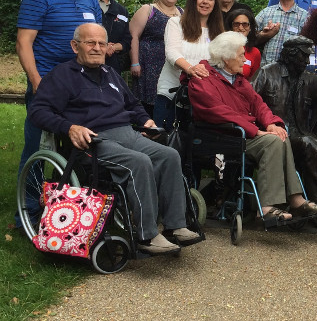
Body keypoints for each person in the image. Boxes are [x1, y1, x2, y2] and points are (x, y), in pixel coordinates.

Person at [28, 23, 202, 254]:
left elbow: (132, 104)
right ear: (75, 46)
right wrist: (69, 127)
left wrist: (146, 120)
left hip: (127, 133)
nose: (97, 48)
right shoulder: (61, 76)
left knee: (169, 155)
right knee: (139, 162)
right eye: (90, 43)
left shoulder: (111, 74)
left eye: (102, 43)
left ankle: (175, 225)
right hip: (93, 141)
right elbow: (38, 112)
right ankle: (147, 235)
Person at [188, 31, 317, 224]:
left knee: (280, 135)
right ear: (226, 58)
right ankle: (267, 208)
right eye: (241, 55)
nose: (245, 60)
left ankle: (295, 199)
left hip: (243, 134)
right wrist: (256, 130)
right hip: (222, 137)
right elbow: (218, 112)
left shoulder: (238, 79)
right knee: (271, 141)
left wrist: (271, 123)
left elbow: (258, 104)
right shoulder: (202, 80)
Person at [15, 0, 102, 227]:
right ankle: (27, 211)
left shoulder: (89, 0)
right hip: (49, 86)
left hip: (82, 85)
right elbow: (24, 43)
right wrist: (36, 81)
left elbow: (97, 42)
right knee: (38, 147)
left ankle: (73, 206)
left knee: (80, 144)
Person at [251, 37, 317, 231]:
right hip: (274, 137)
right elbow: (248, 102)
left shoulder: (306, 78)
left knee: (311, 149)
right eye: (304, 56)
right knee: (310, 144)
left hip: (299, 137)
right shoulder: (267, 73)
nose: (307, 61)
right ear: (291, 54)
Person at [153, 0, 224, 129]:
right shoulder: (175, 23)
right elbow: (171, 53)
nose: (205, 2)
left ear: (215, 4)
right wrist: (190, 69)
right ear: (193, 0)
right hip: (171, 94)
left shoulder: (218, 33)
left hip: (202, 100)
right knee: (165, 143)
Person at [130, 0, 183, 115]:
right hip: (148, 64)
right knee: (148, 105)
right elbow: (133, 36)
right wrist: (135, 63)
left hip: (171, 65)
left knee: (168, 100)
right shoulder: (148, 10)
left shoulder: (182, 13)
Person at [255, 0, 310, 65]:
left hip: (291, 72)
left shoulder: (305, 17)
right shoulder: (265, 13)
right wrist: (263, 35)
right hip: (266, 71)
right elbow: (249, 36)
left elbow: (308, 47)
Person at [91, 0, 131, 74]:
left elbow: (127, 40)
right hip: (85, 65)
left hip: (111, 68)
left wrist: (113, 47)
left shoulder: (121, 11)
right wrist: (102, 46)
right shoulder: (83, 2)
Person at [224, 8, 260, 80]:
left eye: (245, 24)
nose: (240, 28)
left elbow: (253, 81)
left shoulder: (255, 52)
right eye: (236, 24)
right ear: (231, 27)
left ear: (250, 28)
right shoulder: (222, 47)